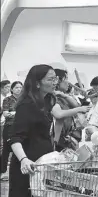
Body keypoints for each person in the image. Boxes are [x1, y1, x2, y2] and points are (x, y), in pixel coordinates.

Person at [9, 65, 57, 197]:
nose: (54, 82)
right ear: (37, 83)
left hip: (43, 164)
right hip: (27, 166)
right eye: (50, 79)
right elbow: (15, 138)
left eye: (55, 79)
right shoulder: (27, 105)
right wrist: (24, 159)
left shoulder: (47, 101)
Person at [52, 69, 90, 151]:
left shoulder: (63, 96)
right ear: (58, 81)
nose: (68, 83)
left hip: (67, 137)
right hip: (56, 138)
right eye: (66, 79)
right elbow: (59, 114)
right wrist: (79, 109)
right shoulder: (52, 97)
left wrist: (64, 96)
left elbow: (76, 105)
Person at [1, 81, 23, 178]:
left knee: (19, 149)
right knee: (6, 150)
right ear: (12, 89)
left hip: (22, 127)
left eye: (20, 87)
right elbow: (6, 114)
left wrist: (13, 113)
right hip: (9, 127)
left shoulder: (24, 100)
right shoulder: (7, 99)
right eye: (16, 87)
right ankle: (3, 172)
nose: (19, 89)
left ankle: (17, 172)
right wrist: (18, 113)